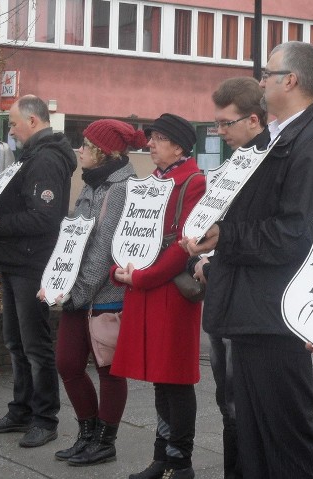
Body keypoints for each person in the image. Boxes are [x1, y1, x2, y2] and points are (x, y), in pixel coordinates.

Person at [185, 42, 313, 479]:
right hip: (255, 309)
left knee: (288, 437)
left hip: (279, 314)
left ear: (290, 80)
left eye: (267, 73)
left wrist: (226, 235)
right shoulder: (281, 136)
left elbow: (298, 233)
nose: (261, 81)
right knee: (255, 435)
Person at [0, 95, 77, 447]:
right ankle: (21, 409)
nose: (10, 130)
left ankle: (45, 417)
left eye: (13, 123)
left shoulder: (45, 161)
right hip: (16, 261)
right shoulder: (31, 158)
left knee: (35, 346)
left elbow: (43, 216)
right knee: (15, 342)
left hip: (32, 262)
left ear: (33, 122)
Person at [44, 119, 144, 466]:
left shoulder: (119, 189)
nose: (80, 150)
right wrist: (57, 281)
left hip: (104, 296)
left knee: (109, 369)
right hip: (78, 294)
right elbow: (74, 240)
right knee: (68, 364)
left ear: (105, 152)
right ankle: (87, 434)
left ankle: (105, 440)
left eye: (86, 145)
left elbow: (103, 250)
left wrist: (77, 291)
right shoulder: (92, 184)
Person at [112, 113, 206, 479]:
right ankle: (162, 458)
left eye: (159, 138)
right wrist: (119, 267)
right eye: (151, 137)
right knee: (160, 380)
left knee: (176, 380)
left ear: (179, 146)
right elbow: (129, 231)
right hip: (147, 288)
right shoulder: (154, 179)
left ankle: (180, 462)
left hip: (168, 291)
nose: (149, 143)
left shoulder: (193, 182)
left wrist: (142, 276)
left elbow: (186, 245)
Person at [184, 76, 267, 479]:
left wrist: (211, 264)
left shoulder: (267, 165)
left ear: (253, 120)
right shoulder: (232, 165)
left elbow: (259, 237)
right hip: (220, 293)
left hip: (245, 300)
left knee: (240, 402)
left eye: (225, 123)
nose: (219, 132)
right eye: (215, 124)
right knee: (226, 399)